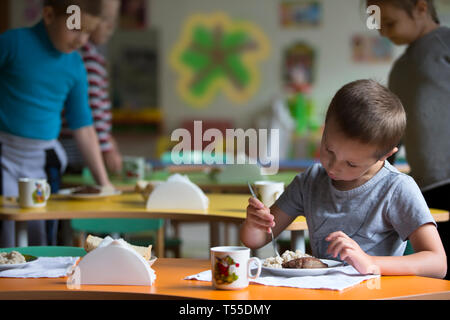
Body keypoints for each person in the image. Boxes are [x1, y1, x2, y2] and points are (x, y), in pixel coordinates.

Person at [240, 80, 447, 279]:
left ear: (384, 155)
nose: (333, 166)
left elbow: (437, 264)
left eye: (351, 164)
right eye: (328, 150)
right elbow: (256, 240)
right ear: (324, 127)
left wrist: (371, 262)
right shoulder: (309, 182)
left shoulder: (396, 188)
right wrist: (254, 224)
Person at [0, 0, 113, 247]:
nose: (82, 40)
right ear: (49, 15)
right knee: (4, 229)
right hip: (4, 154)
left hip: (44, 160)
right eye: (76, 29)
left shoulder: (75, 65)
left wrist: (104, 183)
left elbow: (83, 125)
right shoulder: (12, 43)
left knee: (43, 231)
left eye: (88, 31)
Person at [368, 0, 449, 279]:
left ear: (420, 8)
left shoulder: (445, 44)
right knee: (440, 271)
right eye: (380, 26)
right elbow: (394, 127)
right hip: (428, 185)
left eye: (389, 23)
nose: (383, 33)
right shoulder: (401, 67)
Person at [60, 0, 123, 175]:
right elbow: (92, 108)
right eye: (103, 18)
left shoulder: (91, 57)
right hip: (77, 150)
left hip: (81, 147)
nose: (110, 26)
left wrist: (107, 139)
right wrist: (105, 147)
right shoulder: (87, 59)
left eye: (114, 19)